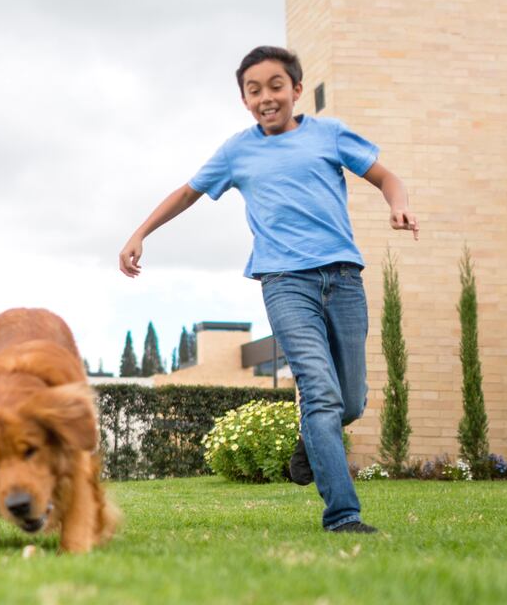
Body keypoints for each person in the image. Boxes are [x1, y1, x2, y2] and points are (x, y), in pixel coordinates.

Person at [118, 45, 419, 534]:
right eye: (253, 90)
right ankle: (343, 516)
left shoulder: (329, 135)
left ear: (296, 90)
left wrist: (399, 205)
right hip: (284, 282)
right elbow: (187, 192)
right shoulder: (238, 151)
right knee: (319, 394)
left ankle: (312, 441)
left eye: (275, 86)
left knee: (352, 401)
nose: (265, 97)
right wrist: (140, 233)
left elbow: (387, 177)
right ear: (244, 99)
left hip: (343, 278)